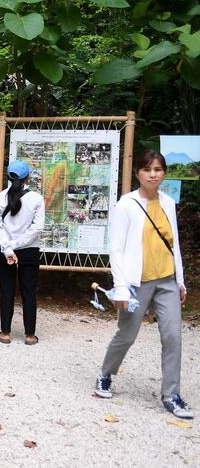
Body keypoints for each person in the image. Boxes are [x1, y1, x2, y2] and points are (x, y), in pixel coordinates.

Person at [94, 150, 191, 419]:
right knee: (127, 334)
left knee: (173, 336)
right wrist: (121, 286)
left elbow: (174, 246)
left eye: (158, 169)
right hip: (137, 282)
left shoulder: (169, 203)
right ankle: (105, 374)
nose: (152, 174)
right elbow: (116, 248)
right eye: (147, 169)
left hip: (167, 280)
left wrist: (180, 280)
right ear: (138, 173)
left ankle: (171, 394)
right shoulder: (126, 204)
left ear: (163, 173)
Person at [0, 160, 45, 345]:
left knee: (7, 290)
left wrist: (7, 248)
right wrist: (17, 244)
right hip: (29, 250)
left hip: (4, 251)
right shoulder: (36, 199)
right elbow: (37, 228)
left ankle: (5, 332)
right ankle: (30, 335)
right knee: (29, 290)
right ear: (27, 177)